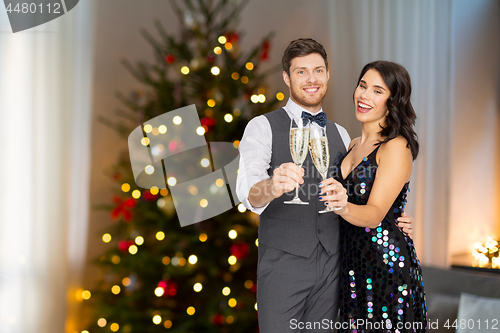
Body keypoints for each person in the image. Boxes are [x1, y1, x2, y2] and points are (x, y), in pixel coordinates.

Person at [236, 39, 415, 333]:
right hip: (283, 268)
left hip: (337, 269)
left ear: (328, 75)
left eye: (318, 70)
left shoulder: (343, 135)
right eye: (301, 72)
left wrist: (396, 219)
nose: (311, 79)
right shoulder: (262, 126)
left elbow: (370, 191)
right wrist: (272, 185)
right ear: (286, 78)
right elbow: (248, 193)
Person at [323, 61, 427, 332]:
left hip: (384, 267)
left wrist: (341, 205)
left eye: (377, 91)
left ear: (393, 100)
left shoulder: (395, 145)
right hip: (352, 264)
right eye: (362, 85)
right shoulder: (352, 144)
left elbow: (376, 213)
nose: (364, 95)